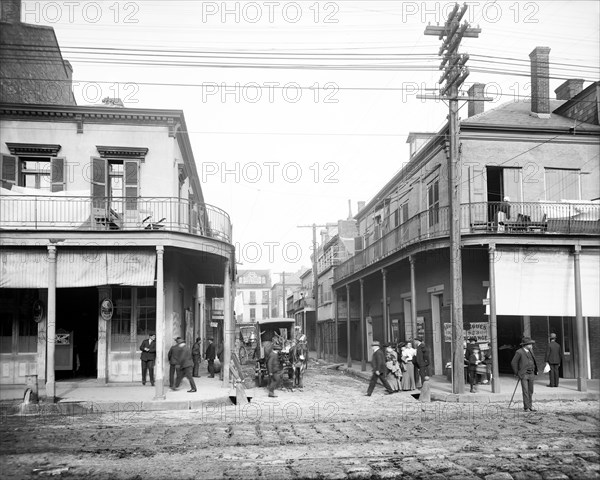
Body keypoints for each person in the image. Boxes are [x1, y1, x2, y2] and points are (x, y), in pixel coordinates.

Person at [511, 337, 538, 412]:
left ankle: (530, 406)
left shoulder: (531, 351)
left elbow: (534, 361)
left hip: (531, 373)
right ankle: (526, 407)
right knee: (525, 391)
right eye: (530, 344)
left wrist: (536, 370)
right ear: (525, 345)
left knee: (530, 391)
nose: (531, 345)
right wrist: (517, 373)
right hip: (524, 374)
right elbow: (513, 362)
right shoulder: (519, 352)